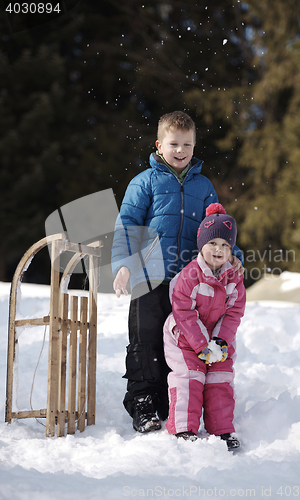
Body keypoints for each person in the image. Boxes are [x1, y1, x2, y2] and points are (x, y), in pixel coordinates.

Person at [111, 111, 244, 434]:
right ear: (159, 145)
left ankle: (175, 398)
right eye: (174, 144)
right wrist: (124, 264)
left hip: (190, 282)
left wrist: (233, 256)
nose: (180, 150)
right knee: (146, 339)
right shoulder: (145, 182)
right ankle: (143, 400)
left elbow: (217, 226)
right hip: (149, 275)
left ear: (194, 146)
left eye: (187, 144)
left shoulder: (203, 186)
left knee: (182, 341)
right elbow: (127, 224)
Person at [163, 202, 246, 451]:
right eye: (212, 244)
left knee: (220, 378)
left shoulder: (234, 279)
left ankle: (221, 430)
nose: (218, 250)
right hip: (185, 338)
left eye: (225, 245)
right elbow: (183, 312)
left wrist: (220, 342)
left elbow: (233, 313)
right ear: (202, 245)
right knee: (190, 377)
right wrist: (201, 345)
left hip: (217, 339)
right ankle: (183, 428)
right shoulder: (190, 276)